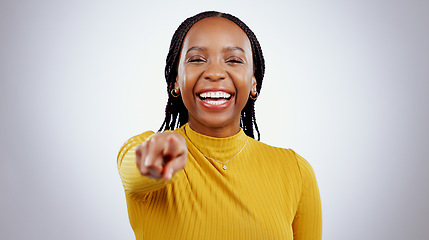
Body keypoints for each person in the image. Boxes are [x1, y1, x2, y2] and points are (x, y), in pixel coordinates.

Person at [117, 11, 322, 239]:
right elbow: (135, 170)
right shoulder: (146, 147)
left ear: (254, 81)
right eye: (196, 59)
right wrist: (158, 159)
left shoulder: (295, 171)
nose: (214, 73)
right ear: (176, 79)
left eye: (234, 60)